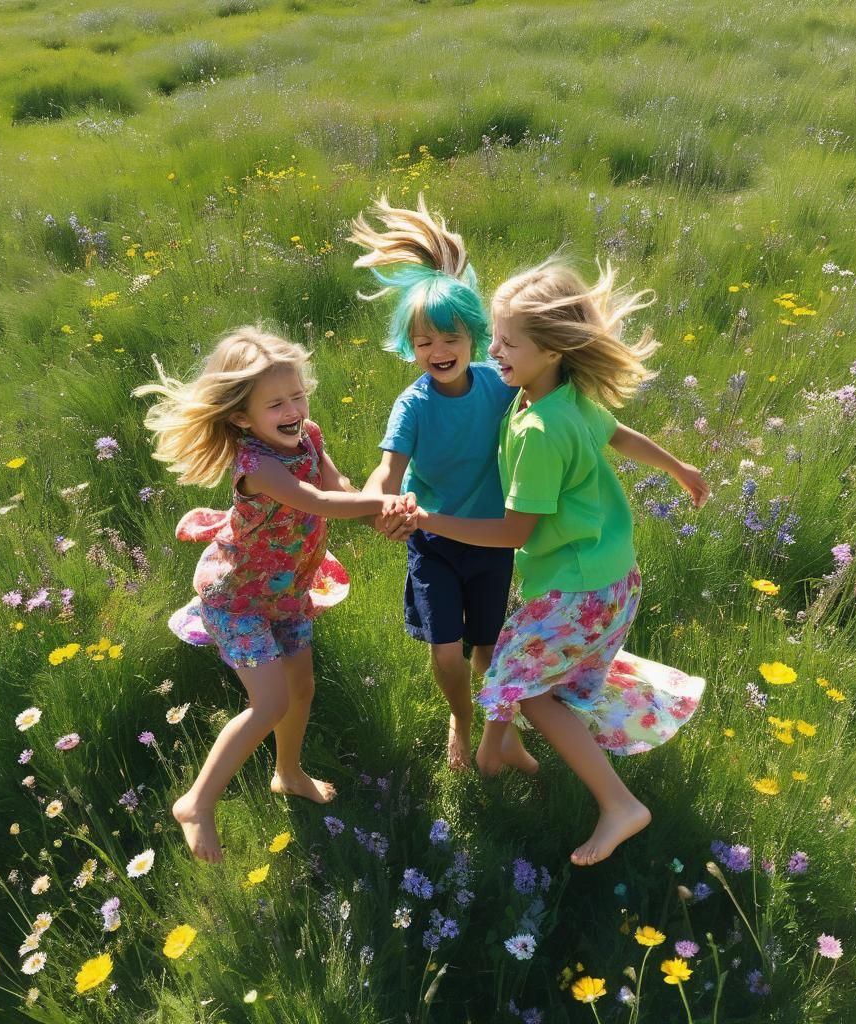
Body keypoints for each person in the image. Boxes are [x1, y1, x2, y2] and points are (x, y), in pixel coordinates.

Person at [389, 259, 709, 866]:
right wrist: (677, 467)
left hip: (574, 588)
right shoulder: (568, 397)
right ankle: (495, 751)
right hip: (611, 576)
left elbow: (513, 531)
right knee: (514, 664)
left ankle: (619, 804)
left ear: (554, 349)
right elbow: (619, 435)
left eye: (508, 343)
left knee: (537, 694)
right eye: (495, 339)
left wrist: (426, 519)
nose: (495, 352)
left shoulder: (538, 427)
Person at [134, 326, 398, 863]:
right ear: (240, 416)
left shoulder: (309, 436)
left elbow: (338, 486)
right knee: (271, 700)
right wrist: (383, 506)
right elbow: (318, 502)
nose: (293, 408)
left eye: (297, 394)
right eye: (276, 402)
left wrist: (380, 510)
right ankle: (197, 803)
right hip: (238, 597)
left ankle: (288, 773)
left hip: (287, 589)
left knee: (301, 689)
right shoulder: (257, 467)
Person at [351, 195, 535, 774]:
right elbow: (388, 470)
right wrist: (381, 502)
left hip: (492, 541)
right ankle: (461, 720)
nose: (438, 350)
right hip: (433, 545)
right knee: (447, 654)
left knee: (487, 650)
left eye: (451, 338)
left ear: (475, 338)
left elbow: (551, 396)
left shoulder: (497, 386)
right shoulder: (413, 405)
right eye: (425, 340)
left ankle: (500, 728)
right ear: (410, 345)